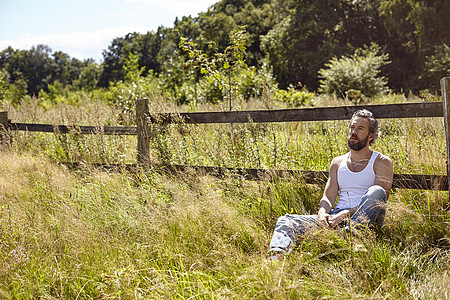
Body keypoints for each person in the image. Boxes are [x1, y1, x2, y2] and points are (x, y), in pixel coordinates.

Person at [268, 109, 393, 257]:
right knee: (286, 221)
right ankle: (276, 258)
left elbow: (379, 200)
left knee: (376, 191)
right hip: (335, 219)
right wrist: (322, 214)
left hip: (364, 220)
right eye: (352, 127)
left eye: (360, 129)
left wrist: (345, 214)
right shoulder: (338, 162)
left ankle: (349, 237)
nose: (354, 132)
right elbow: (328, 197)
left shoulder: (381, 162)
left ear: (370, 135)